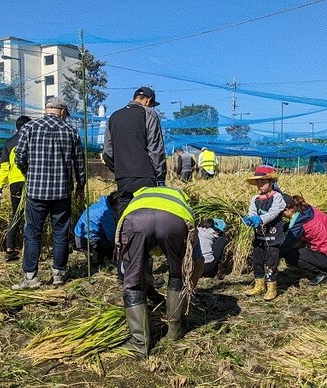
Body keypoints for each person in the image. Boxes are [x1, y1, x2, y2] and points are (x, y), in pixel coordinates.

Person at [117, 186, 203, 357]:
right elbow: (198, 261)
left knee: (132, 282)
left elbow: (124, 270)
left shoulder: (138, 198)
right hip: (173, 220)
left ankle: (140, 343)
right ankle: (175, 329)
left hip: (136, 220)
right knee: (178, 273)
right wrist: (188, 289)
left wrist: (132, 283)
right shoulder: (181, 204)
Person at [12, 97, 85, 290]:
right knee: (60, 232)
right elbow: (79, 163)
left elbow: (19, 155)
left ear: (47, 110)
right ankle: (58, 273)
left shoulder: (30, 128)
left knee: (33, 233)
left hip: (36, 191)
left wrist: (29, 172)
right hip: (62, 191)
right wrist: (80, 186)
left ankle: (30, 277)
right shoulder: (71, 131)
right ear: (61, 111)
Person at [102, 86, 166, 217]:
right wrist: (160, 177)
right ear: (148, 101)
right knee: (145, 218)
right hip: (145, 176)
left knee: (124, 217)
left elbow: (107, 152)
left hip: (122, 177)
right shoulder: (149, 113)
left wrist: (119, 168)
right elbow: (155, 148)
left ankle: (120, 238)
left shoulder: (114, 116)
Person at [279, 194, 327, 285]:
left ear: (287, 210)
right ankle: (326, 267)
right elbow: (294, 226)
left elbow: (285, 247)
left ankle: (323, 272)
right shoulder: (308, 209)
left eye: (281, 213)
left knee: (290, 255)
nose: (281, 216)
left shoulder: (298, 224)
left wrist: (269, 259)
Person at [242, 165, 287, 301]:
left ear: (271, 182)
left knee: (271, 262)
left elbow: (273, 213)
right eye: (258, 182)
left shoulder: (278, 197)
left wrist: (260, 219)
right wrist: (250, 219)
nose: (260, 185)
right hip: (259, 237)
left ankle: (272, 288)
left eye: (263, 182)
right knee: (257, 260)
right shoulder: (255, 198)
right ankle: (259, 285)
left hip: (273, 237)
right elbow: (252, 212)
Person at [0, 115, 31, 260]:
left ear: (16, 127)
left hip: (14, 183)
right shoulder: (31, 140)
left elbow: (4, 168)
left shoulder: (8, 143)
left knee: (16, 215)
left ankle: (9, 248)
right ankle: (29, 249)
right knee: (31, 216)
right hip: (30, 181)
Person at [74, 192, 118, 264]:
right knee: (111, 248)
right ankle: (96, 259)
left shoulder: (102, 205)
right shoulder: (106, 212)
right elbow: (112, 236)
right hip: (86, 239)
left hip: (81, 235)